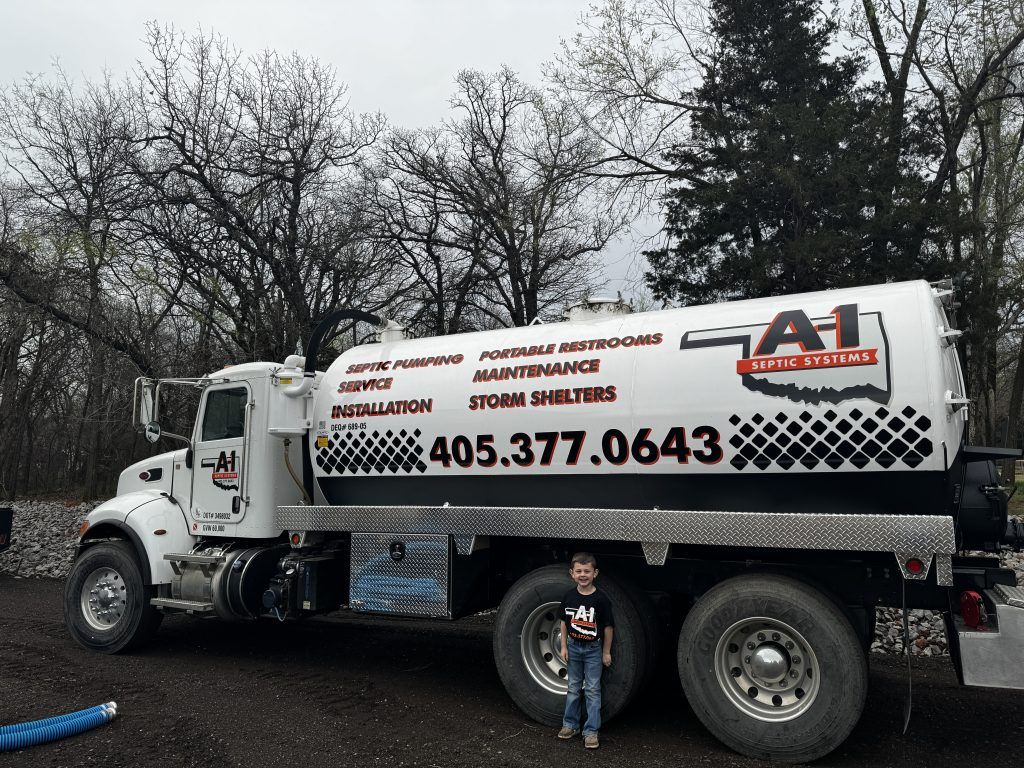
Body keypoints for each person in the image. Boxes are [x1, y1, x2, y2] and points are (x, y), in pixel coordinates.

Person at [556, 551, 614, 749]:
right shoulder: (569, 597)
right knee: (573, 687)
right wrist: (563, 646)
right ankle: (570, 725)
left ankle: (591, 731)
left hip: (593, 650)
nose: (583, 575)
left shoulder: (601, 600)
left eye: (587, 571)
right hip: (573, 646)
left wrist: (606, 652)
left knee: (592, 690)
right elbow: (564, 623)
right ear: (572, 573)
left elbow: (607, 627)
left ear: (595, 573)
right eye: (579, 571)